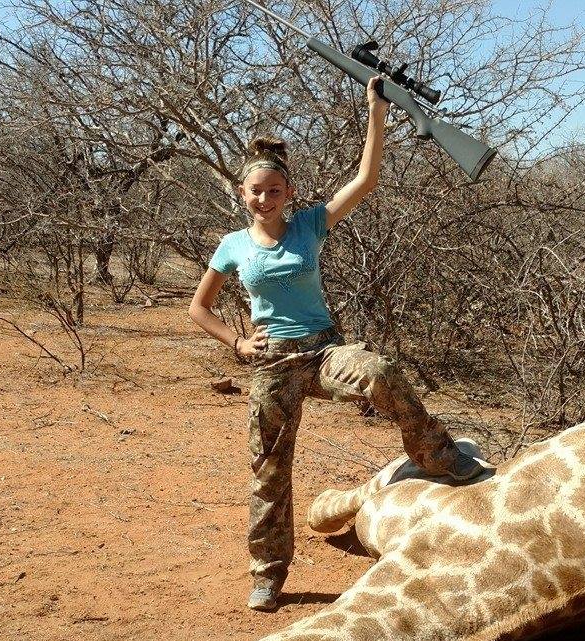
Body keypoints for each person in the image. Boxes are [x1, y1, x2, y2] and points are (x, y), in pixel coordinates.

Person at [189, 78, 482, 613]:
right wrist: (237, 342)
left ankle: (439, 455)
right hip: (273, 361)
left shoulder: (310, 225)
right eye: (255, 191)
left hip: (324, 351)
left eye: (274, 190)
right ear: (242, 195)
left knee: (379, 371)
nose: (264, 198)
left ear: (288, 194)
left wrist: (376, 110)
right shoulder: (232, 245)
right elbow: (198, 308)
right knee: (269, 469)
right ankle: (268, 575)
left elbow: (367, 178)